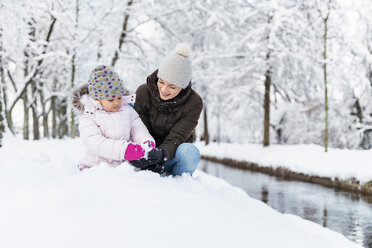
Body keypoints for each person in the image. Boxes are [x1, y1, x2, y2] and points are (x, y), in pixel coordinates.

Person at [131, 43, 203, 176]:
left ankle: (176, 180)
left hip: (171, 154)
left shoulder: (194, 103)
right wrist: (146, 151)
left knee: (190, 153)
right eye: (161, 81)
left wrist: (162, 154)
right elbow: (139, 128)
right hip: (146, 151)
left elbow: (178, 136)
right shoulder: (143, 92)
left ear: (182, 86)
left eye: (172, 86)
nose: (164, 90)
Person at [73, 65, 155, 170]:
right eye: (111, 100)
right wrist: (124, 150)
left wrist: (146, 142)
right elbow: (95, 142)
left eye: (119, 97)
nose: (116, 103)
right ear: (97, 99)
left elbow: (138, 129)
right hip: (96, 166)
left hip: (124, 166)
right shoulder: (89, 115)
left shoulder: (127, 110)